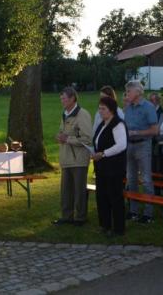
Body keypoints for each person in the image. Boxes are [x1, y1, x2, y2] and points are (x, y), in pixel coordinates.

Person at [54, 87, 93, 226]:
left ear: (72, 99)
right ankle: (66, 217)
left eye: (64, 98)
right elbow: (63, 132)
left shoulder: (83, 114)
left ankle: (80, 218)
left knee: (79, 191)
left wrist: (67, 139)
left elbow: (87, 139)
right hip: (66, 159)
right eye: (61, 99)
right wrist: (59, 137)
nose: (62, 101)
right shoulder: (65, 113)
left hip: (79, 160)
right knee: (66, 192)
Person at [90, 96, 128, 237]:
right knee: (102, 196)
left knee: (115, 197)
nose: (100, 111)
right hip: (101, 167)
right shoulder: (103, 124)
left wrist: (103, 154)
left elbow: (121, 145)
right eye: (99, 108)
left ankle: (118, 228)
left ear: (111, 110)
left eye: (103, 109)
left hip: (114, 168)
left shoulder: (118, 124)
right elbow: (99, 142)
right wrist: (94, 152)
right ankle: (104, 225)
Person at [123, 81, 159, 224]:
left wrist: (136, 132)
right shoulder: (128, 108)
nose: (127, 94)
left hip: (143, 145)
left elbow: (155, 130)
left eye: (129, 91)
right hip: (129, 145)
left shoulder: (148, 107)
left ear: (138, 92)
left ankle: (148, 213)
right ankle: (133, 211)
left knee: (146, 179)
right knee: (131, 178)